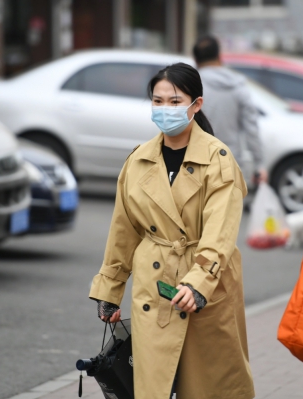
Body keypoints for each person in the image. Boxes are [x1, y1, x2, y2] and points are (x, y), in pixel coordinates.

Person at [88, 62, 255, 399]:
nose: (165, 109)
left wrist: (199, 283)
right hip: (155, 285)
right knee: (153, 387)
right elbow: (125, 228)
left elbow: (220, 232)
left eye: (175, 101)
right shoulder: (138, 160)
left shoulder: (218, 159)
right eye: (158, 101)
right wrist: (110, 288)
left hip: (205, 289)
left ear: (197, 105)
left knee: (210, 387)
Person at [193, 35, 268, 184]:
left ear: (196, 60)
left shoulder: (189, 87)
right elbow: (251, 128)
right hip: (229, 162)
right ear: (220, 56)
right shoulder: (237, 86)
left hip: (195, 163)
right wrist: (259, 164)